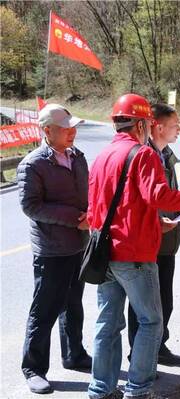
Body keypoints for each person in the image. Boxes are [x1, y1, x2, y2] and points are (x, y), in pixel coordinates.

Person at [87, 94, 180, 399]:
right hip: (134, 254)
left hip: (105, 254)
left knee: (108, 323)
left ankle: (101, 390)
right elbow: (160, 195)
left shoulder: (103, 156)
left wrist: (155, 224)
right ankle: (138, 389)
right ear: (143, 124)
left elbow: (102, 207)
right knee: (151, 321)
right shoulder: (143, 154)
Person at [17, 104, 91, 394]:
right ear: (47, 130)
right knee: (44, 310)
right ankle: (33, 368)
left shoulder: (78, 156)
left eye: (74, 127)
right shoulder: (33, 164)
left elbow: (88, 192)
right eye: (65, 128)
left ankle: (74, 354)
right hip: (51, 249)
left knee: (74, 305)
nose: (72, 132)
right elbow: (30, 206)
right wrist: (75, 218)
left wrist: (90, 213)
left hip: (78, 245)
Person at [126, 103, 180, 366]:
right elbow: (139, 200)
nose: (179, 130)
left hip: (167, 241)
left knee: (164, 302)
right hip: (150, 242)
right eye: (175, 125)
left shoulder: (165, 154)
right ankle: (139, 354)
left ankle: (157, 347)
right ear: (158, 127)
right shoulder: (144, 155)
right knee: (144, 306)